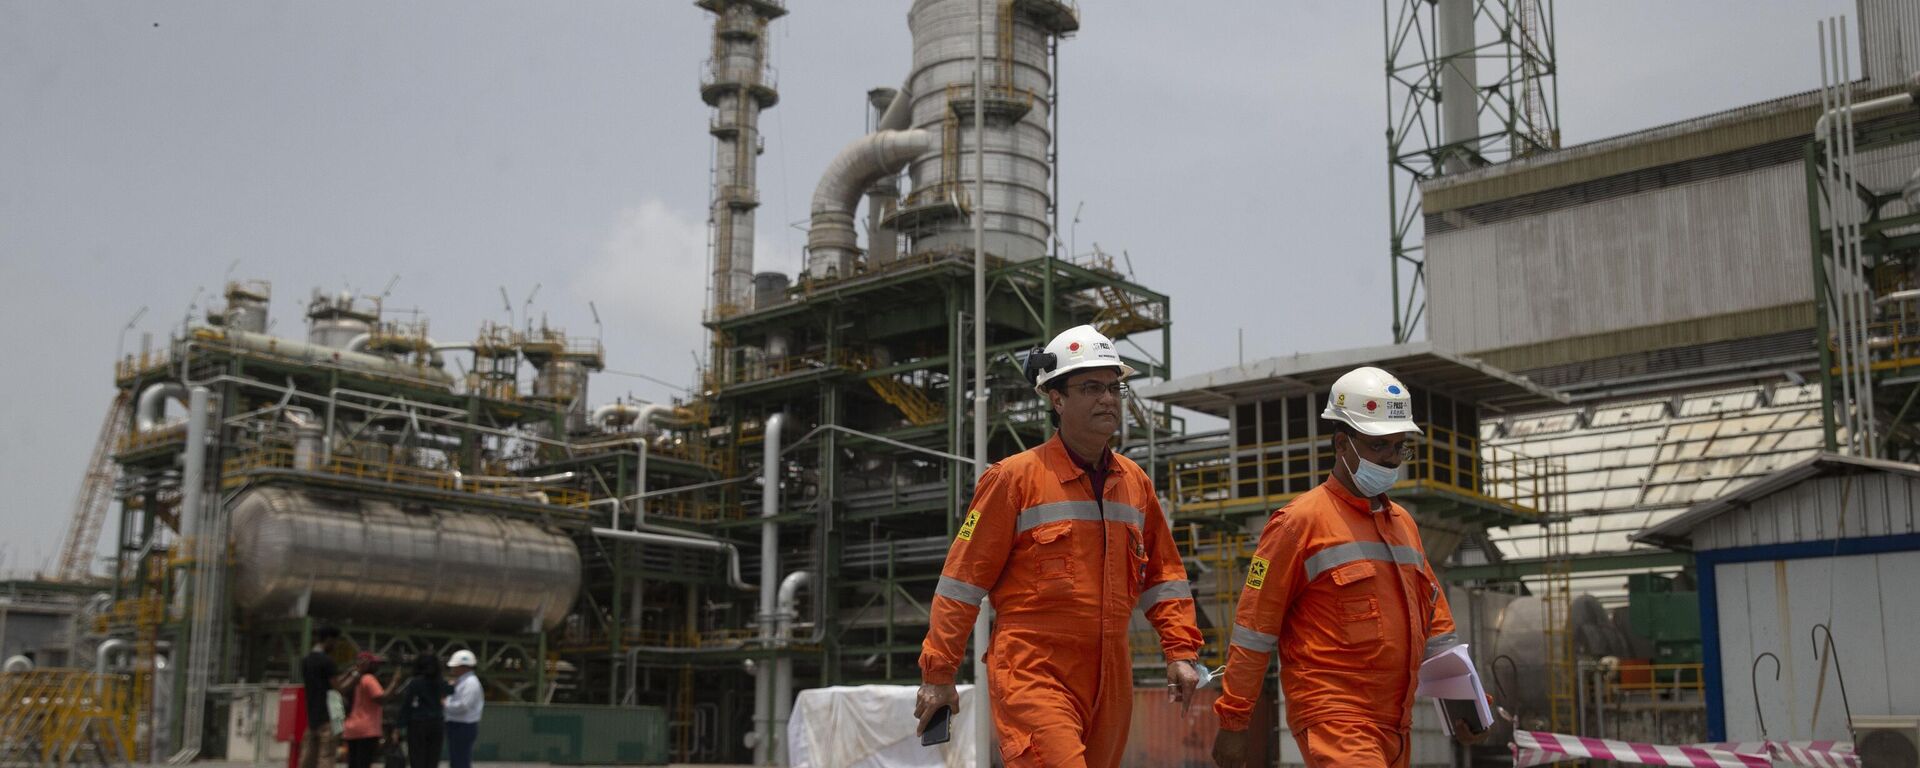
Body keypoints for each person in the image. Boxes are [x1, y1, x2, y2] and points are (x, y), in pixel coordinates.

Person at [915, 324, 1205, 767]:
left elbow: (1165, 577)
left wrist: (1181, 652)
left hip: (1111, 675)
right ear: (1056, 398)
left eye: (1114, 387)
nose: (1108, 398)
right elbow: (961, 583)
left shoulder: (1135, 483)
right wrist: (938, 674)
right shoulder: (1013, 479)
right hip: (1034, 670)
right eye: (1091, 387)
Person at [1211, 367, 1489, 768]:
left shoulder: (1404, 525)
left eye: (1399, 447)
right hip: (1335, 717)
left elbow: (1438, 628)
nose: (1392, 459)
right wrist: (1234, 723)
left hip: (1396, 723)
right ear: (1342, 443)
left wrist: (1466, 702)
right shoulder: (1297, 524)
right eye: (1379, 447)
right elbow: (1254, 630)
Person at [298, 626, 351, 768]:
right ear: (329, 639)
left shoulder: (306, 660)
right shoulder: (328, 662)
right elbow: (339, 689)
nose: (336, 645)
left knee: (307, 759)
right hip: (330, 718)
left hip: (312, 718)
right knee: (326, 758)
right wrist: (357, 675)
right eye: (336, 642)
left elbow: (322, 683)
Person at [399, 653, 445, 768]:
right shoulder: (440, 682)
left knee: (417, 758)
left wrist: (399, 725)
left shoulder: (415, 682)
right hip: (437, 723)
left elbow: (407, 705)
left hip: (418, 724)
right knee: (433, 759)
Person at [341, 652, 387, 768]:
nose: (377, 667)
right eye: (374, 664)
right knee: (364, 763)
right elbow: (381, 698)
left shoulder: (352, 680)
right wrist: (395, 683)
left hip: (351, 727)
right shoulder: (369, 679)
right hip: (367, 729)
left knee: (353, 763)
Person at [442, 650, 483, 768]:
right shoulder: (462, 682)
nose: (452, 669)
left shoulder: (470, 683)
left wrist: (445, 704)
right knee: (457, 759)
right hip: (458, 725)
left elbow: (463, 706)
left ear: (463, 667)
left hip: (462, 726)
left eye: (455, 666)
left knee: (460, 760)